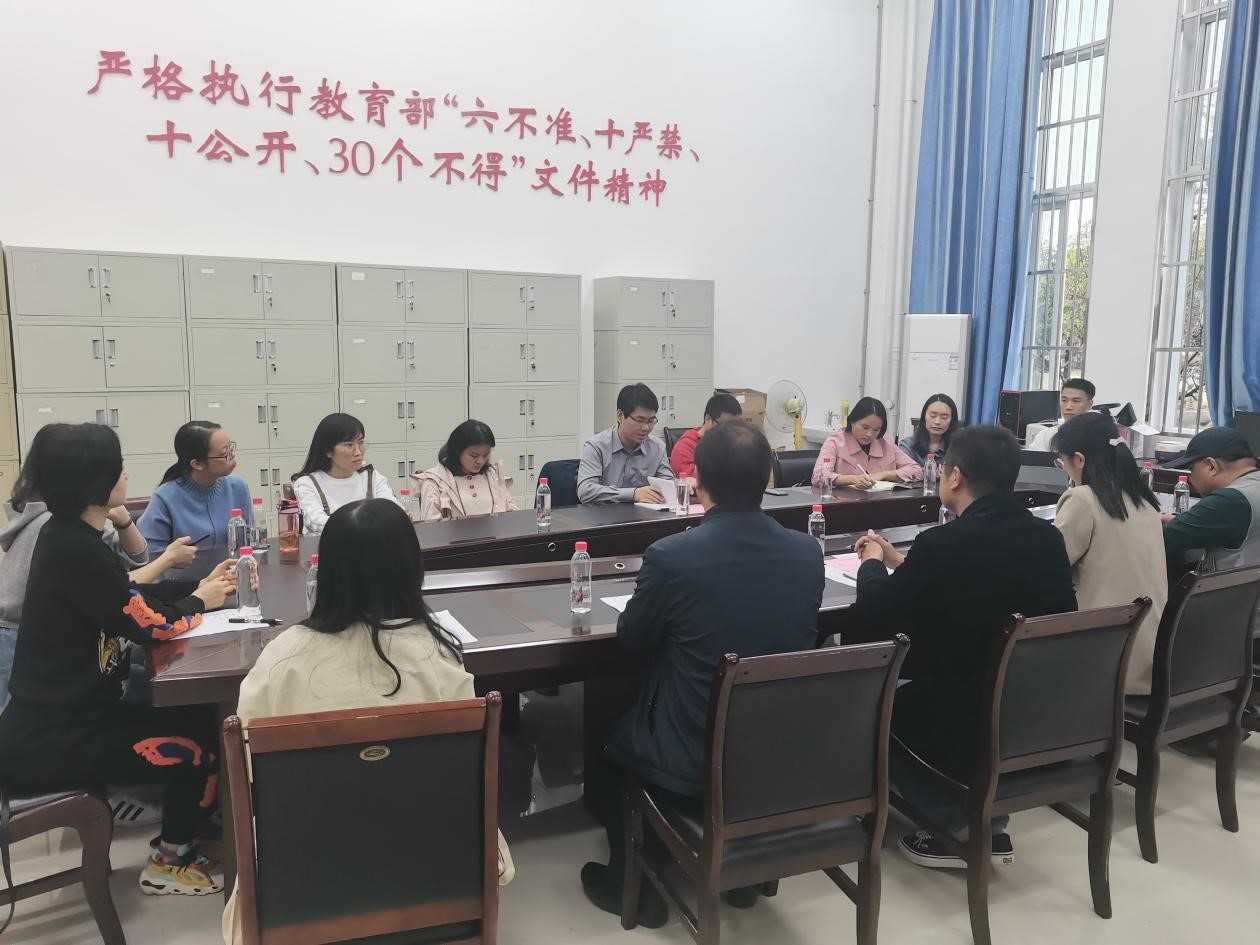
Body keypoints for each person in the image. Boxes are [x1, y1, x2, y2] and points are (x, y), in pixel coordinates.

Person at [222, 498, 513, 944]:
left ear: (326, 571)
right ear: (411, 567)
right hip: (438, 886)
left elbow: (248, 780)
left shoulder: (281, 660)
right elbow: (465, 776)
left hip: (301, 898)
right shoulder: (438, 655)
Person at [580, 421, 824, 924]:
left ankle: (635, 883)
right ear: (768, 478)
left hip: (691, 760)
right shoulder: (807, 553)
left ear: (697, 482)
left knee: (610, 743)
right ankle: (744, 879)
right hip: (776, 755)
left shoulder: (673, 556)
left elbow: (633, 638)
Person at [0, 423, 235, 896]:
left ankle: (193, 831)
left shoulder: (74, 536)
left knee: (199, 718)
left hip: (76, 717)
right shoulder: (72, 547)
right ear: (96, 481)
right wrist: (201, 602)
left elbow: (128, 593)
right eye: (119, 467)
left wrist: (201, 586)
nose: (126, 475)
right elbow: (150, 623)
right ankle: (169, 864)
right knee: (200, 749)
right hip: (54, 739)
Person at [845, 425, 1076, 869]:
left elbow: (875, 614)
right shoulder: (1047, 539)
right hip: (1034, 708)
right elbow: (976, 585)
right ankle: (990, 819)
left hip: (962, 716)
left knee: (869, 703)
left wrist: (871, 564)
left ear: (955, 477)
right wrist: (901, 562)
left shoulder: (945, 543)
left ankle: (953, 821)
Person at [1, 426, 197, 711]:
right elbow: (120, 591)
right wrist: (198, 597)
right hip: (22, 642)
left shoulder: (73, 528)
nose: (125, 475)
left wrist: (124, 521)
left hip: (77, 665)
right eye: (117, 468)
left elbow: (131, 565)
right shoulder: (63, 536)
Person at [1052, 412, 1167, 694]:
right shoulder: (1144, 499)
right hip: (1150, 656)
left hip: (1107, 658)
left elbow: (1050, 565)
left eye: (1061, 461)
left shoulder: (1082, 499)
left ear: (1079, 459)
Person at [139, 421, 254, 581]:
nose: (232, 455)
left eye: (231, 447)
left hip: (231, 583)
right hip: (183, 591)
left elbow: (250, 543)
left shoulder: (238, 487)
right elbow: (151, 559)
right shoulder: (165, 497)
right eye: (224, 453)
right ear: (197, 464)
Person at [1162, 426, 1260, 573]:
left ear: (1212, 466)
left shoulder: (1230, 499)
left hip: (1231, 587)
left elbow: (1161, 539)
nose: (1189, 478)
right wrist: (1181, 522)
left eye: (1190, 469)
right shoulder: (1251, 488)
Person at [292, 413, 399, 535]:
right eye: (349, 445)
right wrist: (368, 524)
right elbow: (317, 523)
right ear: (328, 451)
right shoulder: (307, 483)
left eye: (360, 442)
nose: (358, 452)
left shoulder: (372, 477)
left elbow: (393, 511)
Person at [578, 383, 676, 505]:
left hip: (644, 515)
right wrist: (633, 494)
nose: (646, 427)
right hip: (605, 515)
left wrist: (684, 484)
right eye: (640, 420)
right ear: (620, 416)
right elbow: (585, 491)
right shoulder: (596, 446)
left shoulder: (657, 447)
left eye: (651, 421)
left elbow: (669, 486)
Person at [414, 420, 519, 522]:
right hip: (453, 535)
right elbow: (432, 526)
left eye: (485, 455)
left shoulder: (494, 475)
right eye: (474, 455)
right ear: (457, 451)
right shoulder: (435, 481)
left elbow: (512, 516)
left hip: (497, 534)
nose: (480, 461)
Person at [811, 397, 922, 490]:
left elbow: (916, 470)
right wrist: (852, 480)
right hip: (844, 503)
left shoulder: (885, 442)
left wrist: (883, 475)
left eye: (876, 430)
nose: (869, 434)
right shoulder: (835, 442)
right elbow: (819, 476)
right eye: (865, 427)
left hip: (882, 502)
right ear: (852, 421)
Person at [667, 391, 743, 480]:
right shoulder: (685, 448)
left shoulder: (733, 443)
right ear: (708, 419)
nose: (731, 432)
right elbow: (699, 482)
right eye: (725, 426)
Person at [1027, 377, 1096, 451]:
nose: (1068, 407)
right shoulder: (1046, 435)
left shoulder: (1099, 437)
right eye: (1064, 400)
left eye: (1076, 401)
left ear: (1090, 404)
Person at [900, 393, 961, 467]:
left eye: (944, 417)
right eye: (933, 416)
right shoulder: (908, 445)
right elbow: (905, 471)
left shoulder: (959, 447)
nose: (937, 422)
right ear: (924, 416)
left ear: (952, 420)